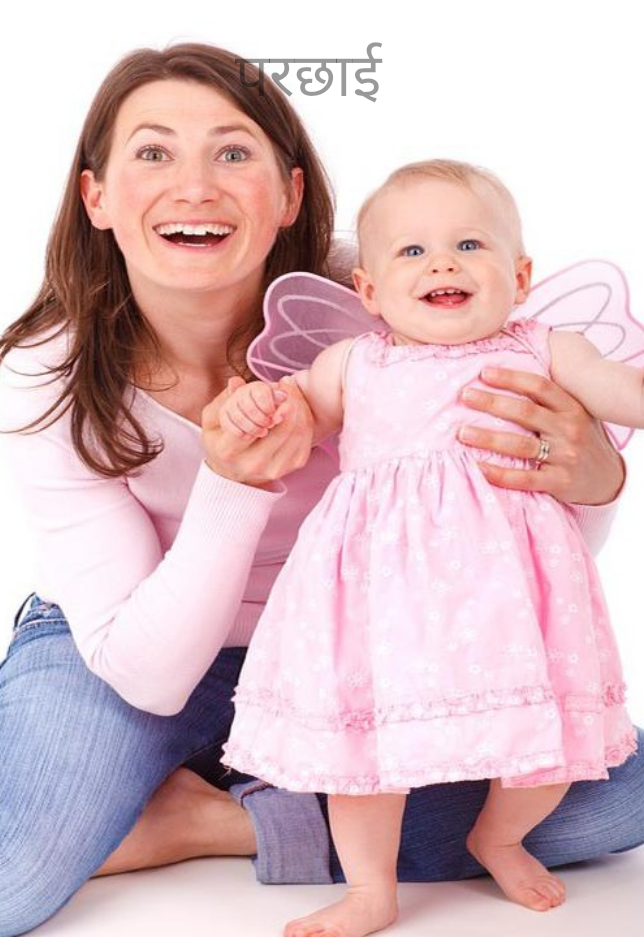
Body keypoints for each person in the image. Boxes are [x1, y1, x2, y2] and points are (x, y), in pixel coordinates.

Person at [0, 44, 640, 937]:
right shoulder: (46, 372)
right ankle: (273, 798)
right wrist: (233, 482)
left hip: (364, 646)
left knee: (613, 796)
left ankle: (206, 820)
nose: (194, 186)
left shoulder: (406, 290)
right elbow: (150, 675)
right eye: (153, 152)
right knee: (1, 883)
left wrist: (598, 478)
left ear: (290, 193)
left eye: (233, 152)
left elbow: (510, 558)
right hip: (126, 652)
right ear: (96, 197)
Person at [221, 159, 641, 937]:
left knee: (553, 744)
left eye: (469, 244)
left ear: (520, 276)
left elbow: (622, 390)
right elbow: (296, 414)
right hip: (382, 602)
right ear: (370, 290)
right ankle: (370, 888)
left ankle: (498, 835)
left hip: (513, 605)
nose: (443, 263)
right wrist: (259, 407)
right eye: (412, 251)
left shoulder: (546, 347)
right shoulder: (355, 362)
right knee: (367, 757)